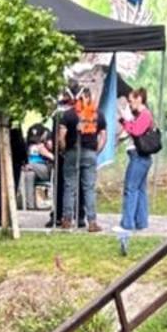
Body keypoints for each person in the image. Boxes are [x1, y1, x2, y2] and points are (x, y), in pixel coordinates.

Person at [58, 81, 105, 232]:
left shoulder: (69, 114)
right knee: (89, 188)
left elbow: (61, 135)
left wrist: (63, 149)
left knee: (70, 186)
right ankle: (92, 222)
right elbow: (104, 135)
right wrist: (97, 150)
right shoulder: (97, 114)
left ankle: (67, 219)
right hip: (90, 152)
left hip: (72, 152)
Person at [117, 86, 156, 252]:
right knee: (140, 189)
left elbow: (136, 131)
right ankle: (141, 221)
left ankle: (127, 223)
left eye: (132, 101)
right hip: (139, 157)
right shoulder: (140, 115)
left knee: (130, 188)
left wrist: (126, 121)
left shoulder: (145, 114)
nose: (130, 104)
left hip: (139, 157)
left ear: (139, 98)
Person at [0, 112, 28, 226]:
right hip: (13, 157)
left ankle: (0, 215)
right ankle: (6, 215)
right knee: (10, 186)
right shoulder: (12, 118)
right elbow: (18, 139)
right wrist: (24, 157)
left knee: (1, 185)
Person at [19, 121, 53, 212]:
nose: (35, 142)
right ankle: (30, 206)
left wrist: (46, 153)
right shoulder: (27, 145)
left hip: (46, 168)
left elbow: (55, 159)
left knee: (29, 167)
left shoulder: (49, 143)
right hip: (30, 169)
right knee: (29, 174)